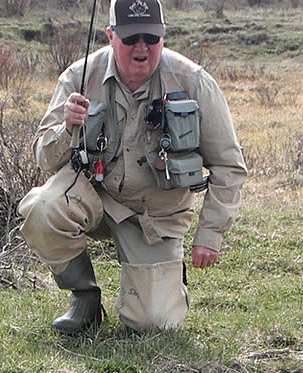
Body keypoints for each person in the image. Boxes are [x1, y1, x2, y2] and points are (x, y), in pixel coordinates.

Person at [18, 0, 247, 335]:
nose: (142, 48)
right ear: (111, 35)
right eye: (131, 38)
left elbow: (229, 166)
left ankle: (162, 279)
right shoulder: (79, 77)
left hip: (155, 217)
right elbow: (44, 158)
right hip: (93, 197)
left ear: (163, 37)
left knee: (153, 324)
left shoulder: (193, 82)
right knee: (41, 208)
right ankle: (84, 298)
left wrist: (209, 234)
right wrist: (66, 128)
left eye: (151, 38)